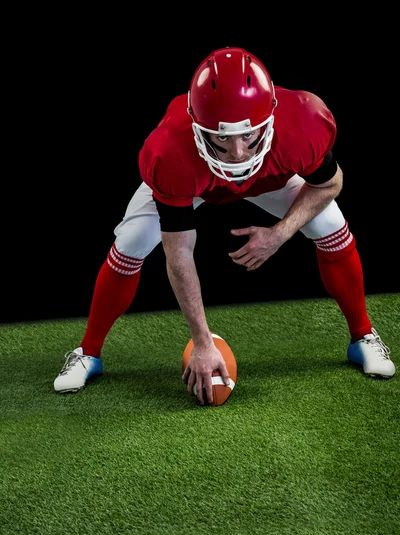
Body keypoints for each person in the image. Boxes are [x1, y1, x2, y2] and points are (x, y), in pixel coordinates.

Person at [54, 46, 396, 404]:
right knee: (131, 241)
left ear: (272, 117)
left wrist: (279, 234)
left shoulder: (302, 122)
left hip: (271, 179)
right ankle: (88, 352)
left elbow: (330, 183)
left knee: (330, 225)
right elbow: (179, 253)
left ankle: (363, 336)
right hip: (195, 182)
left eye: (249, 135)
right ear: (196, 124)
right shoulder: (170, 153)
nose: (238, 153)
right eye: (222, 137)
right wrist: (202, 342)